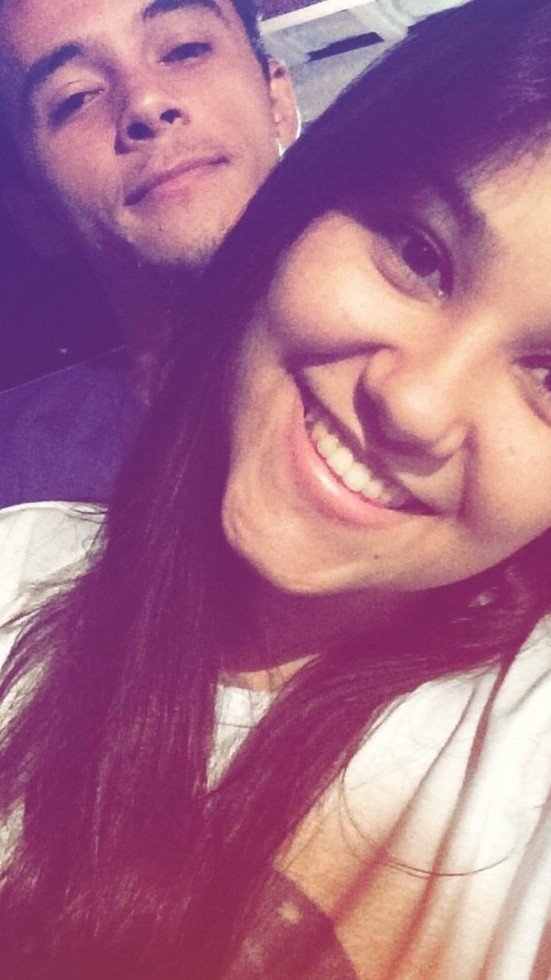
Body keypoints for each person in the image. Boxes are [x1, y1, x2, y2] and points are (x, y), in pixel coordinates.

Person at [1, 0, 551, 975]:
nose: (416, 404)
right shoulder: (22, 548)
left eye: (183, 46)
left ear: (282, 103)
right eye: (416, 252)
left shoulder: (517, 751)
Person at [0, 0, 298, 507]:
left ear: (278, 103)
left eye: (185, 50)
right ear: (35, 213)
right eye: (76, 98)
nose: (145, 101)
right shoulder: (19, 490)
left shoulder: (436, 367)